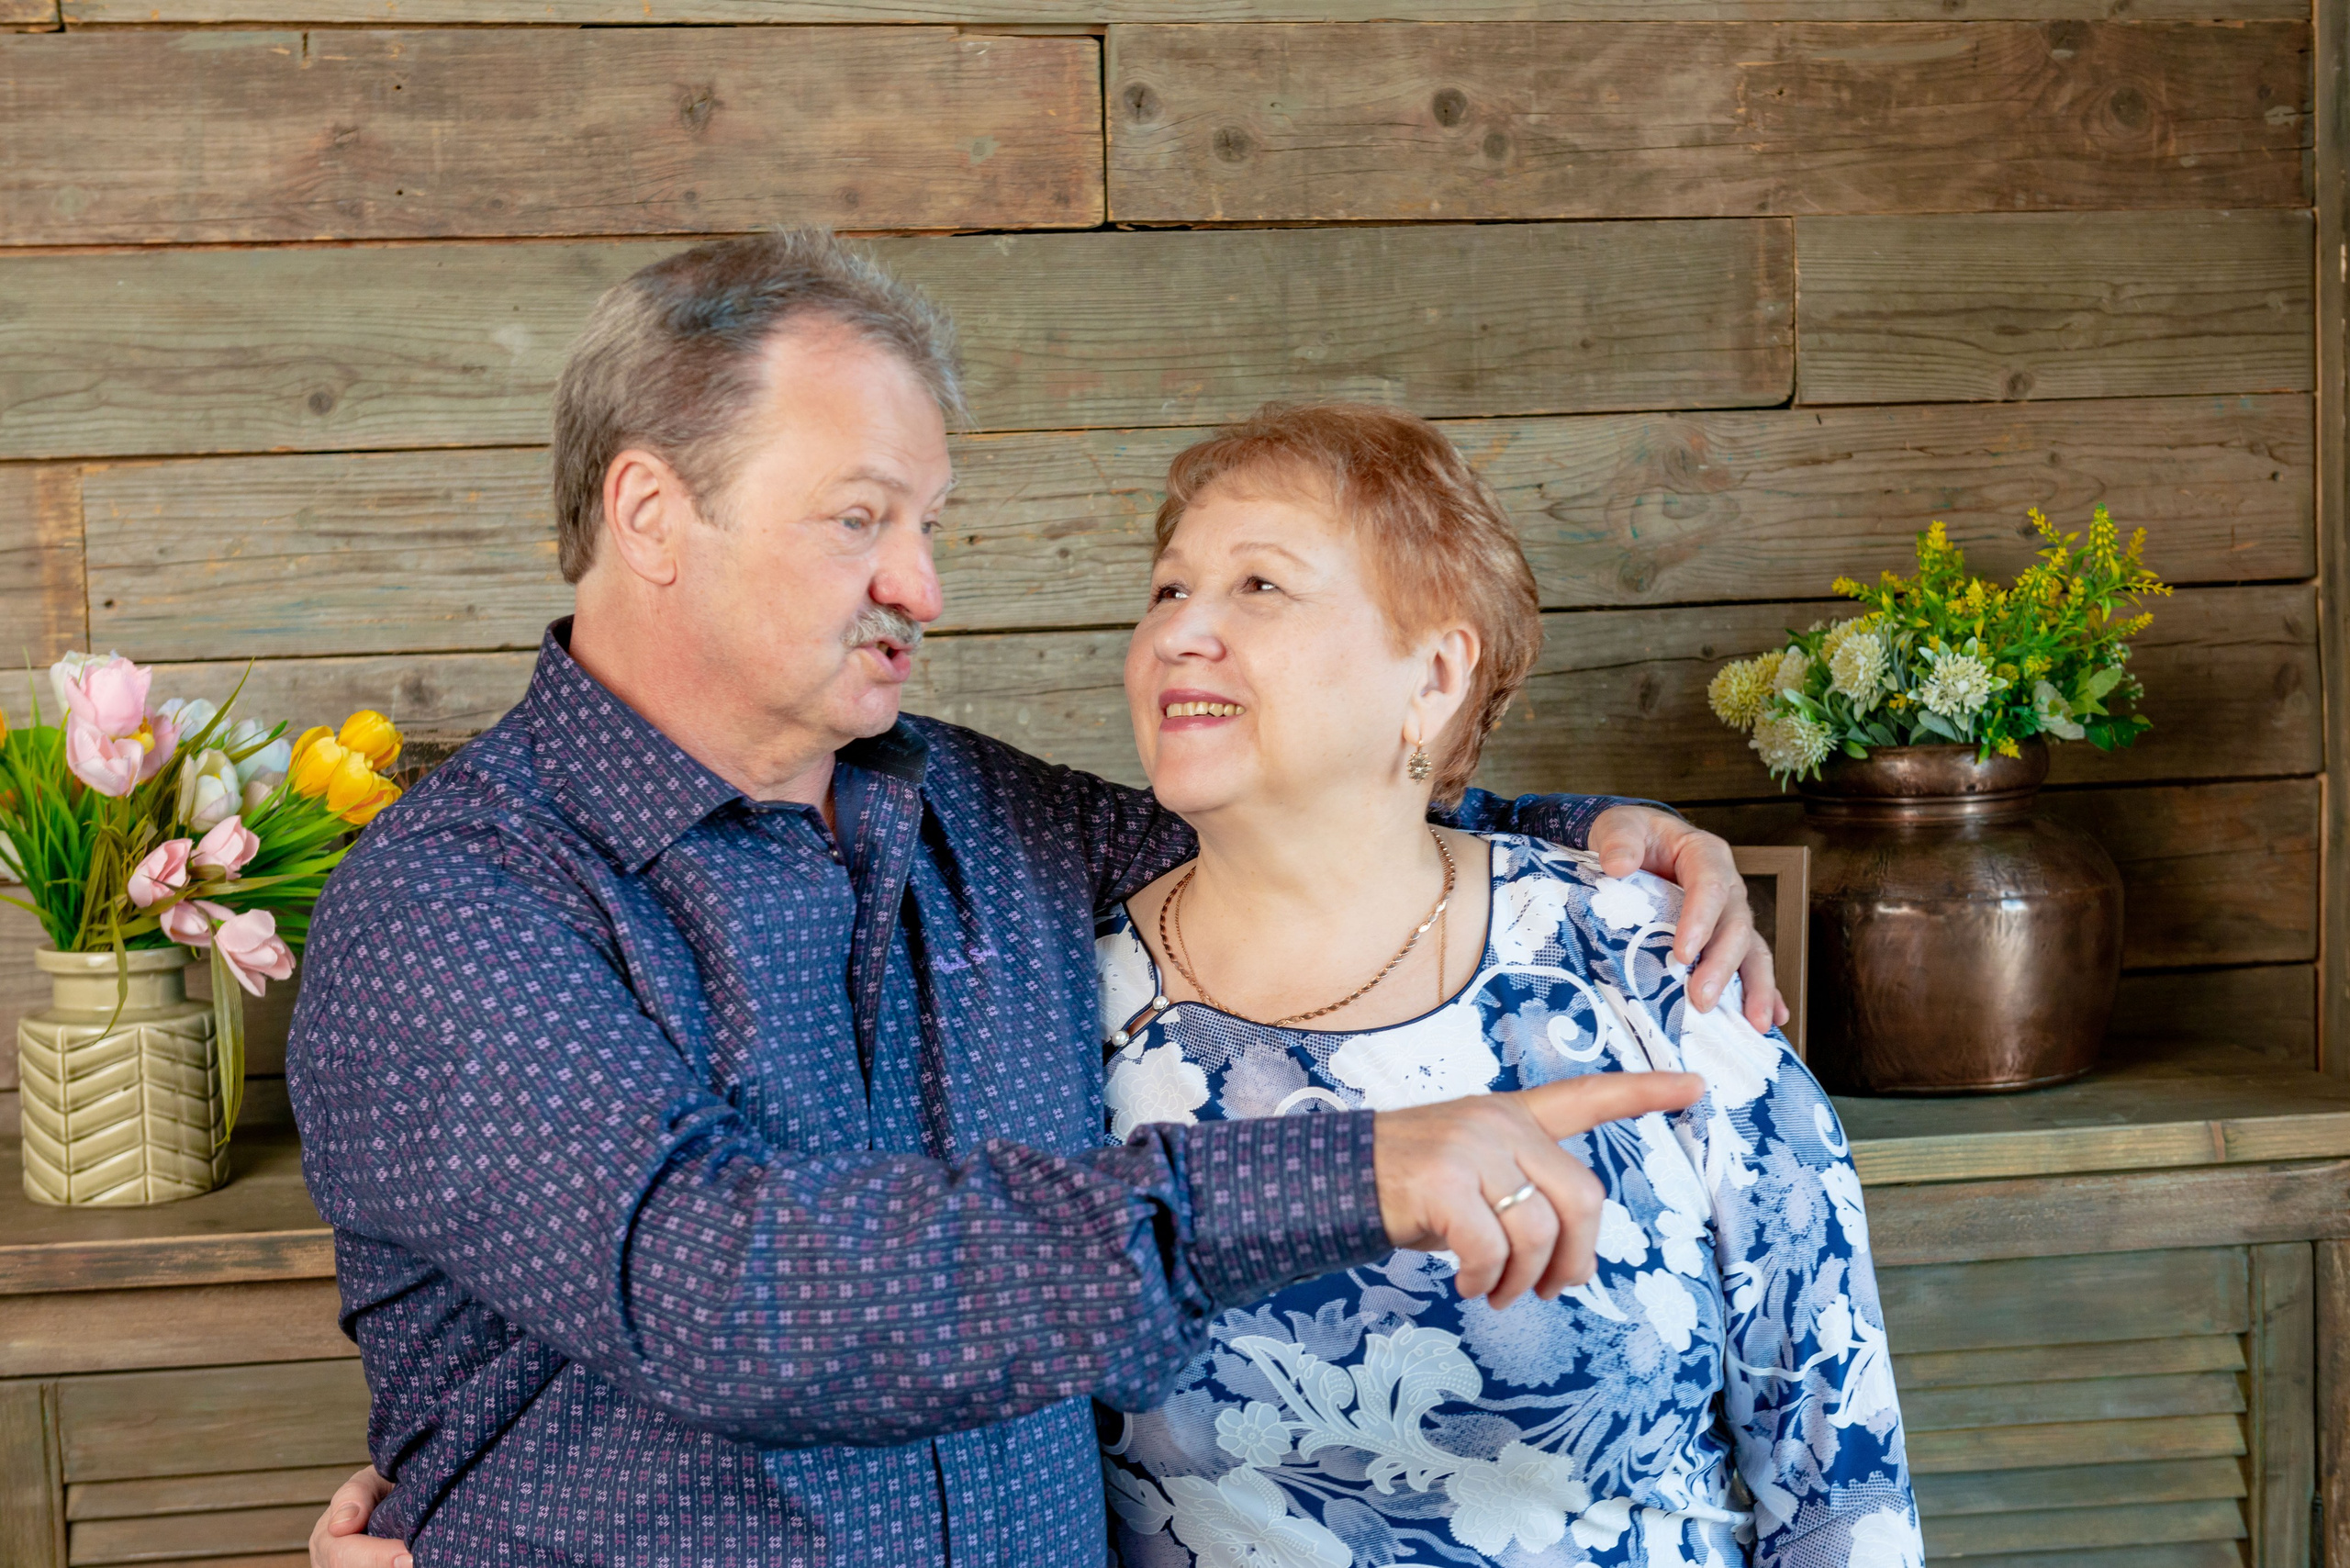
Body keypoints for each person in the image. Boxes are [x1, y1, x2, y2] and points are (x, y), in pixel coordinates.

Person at [293, 229, 1777, 1568]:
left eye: (929, 524)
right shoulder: (450, 906)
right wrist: (1349, 1172)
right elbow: (728, 1289)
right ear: (653, 513)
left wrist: (1589, 835)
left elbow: (1299, 811)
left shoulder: (974, 809)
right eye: (862, 519)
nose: (925, 585)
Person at [1090, 405, 1919, 1566]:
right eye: (1169, 591)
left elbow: (1837, 1471)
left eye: (1259, 587)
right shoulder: (1069, 1013)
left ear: (1431, 675)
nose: (1182, 632)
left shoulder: (1636, 955)